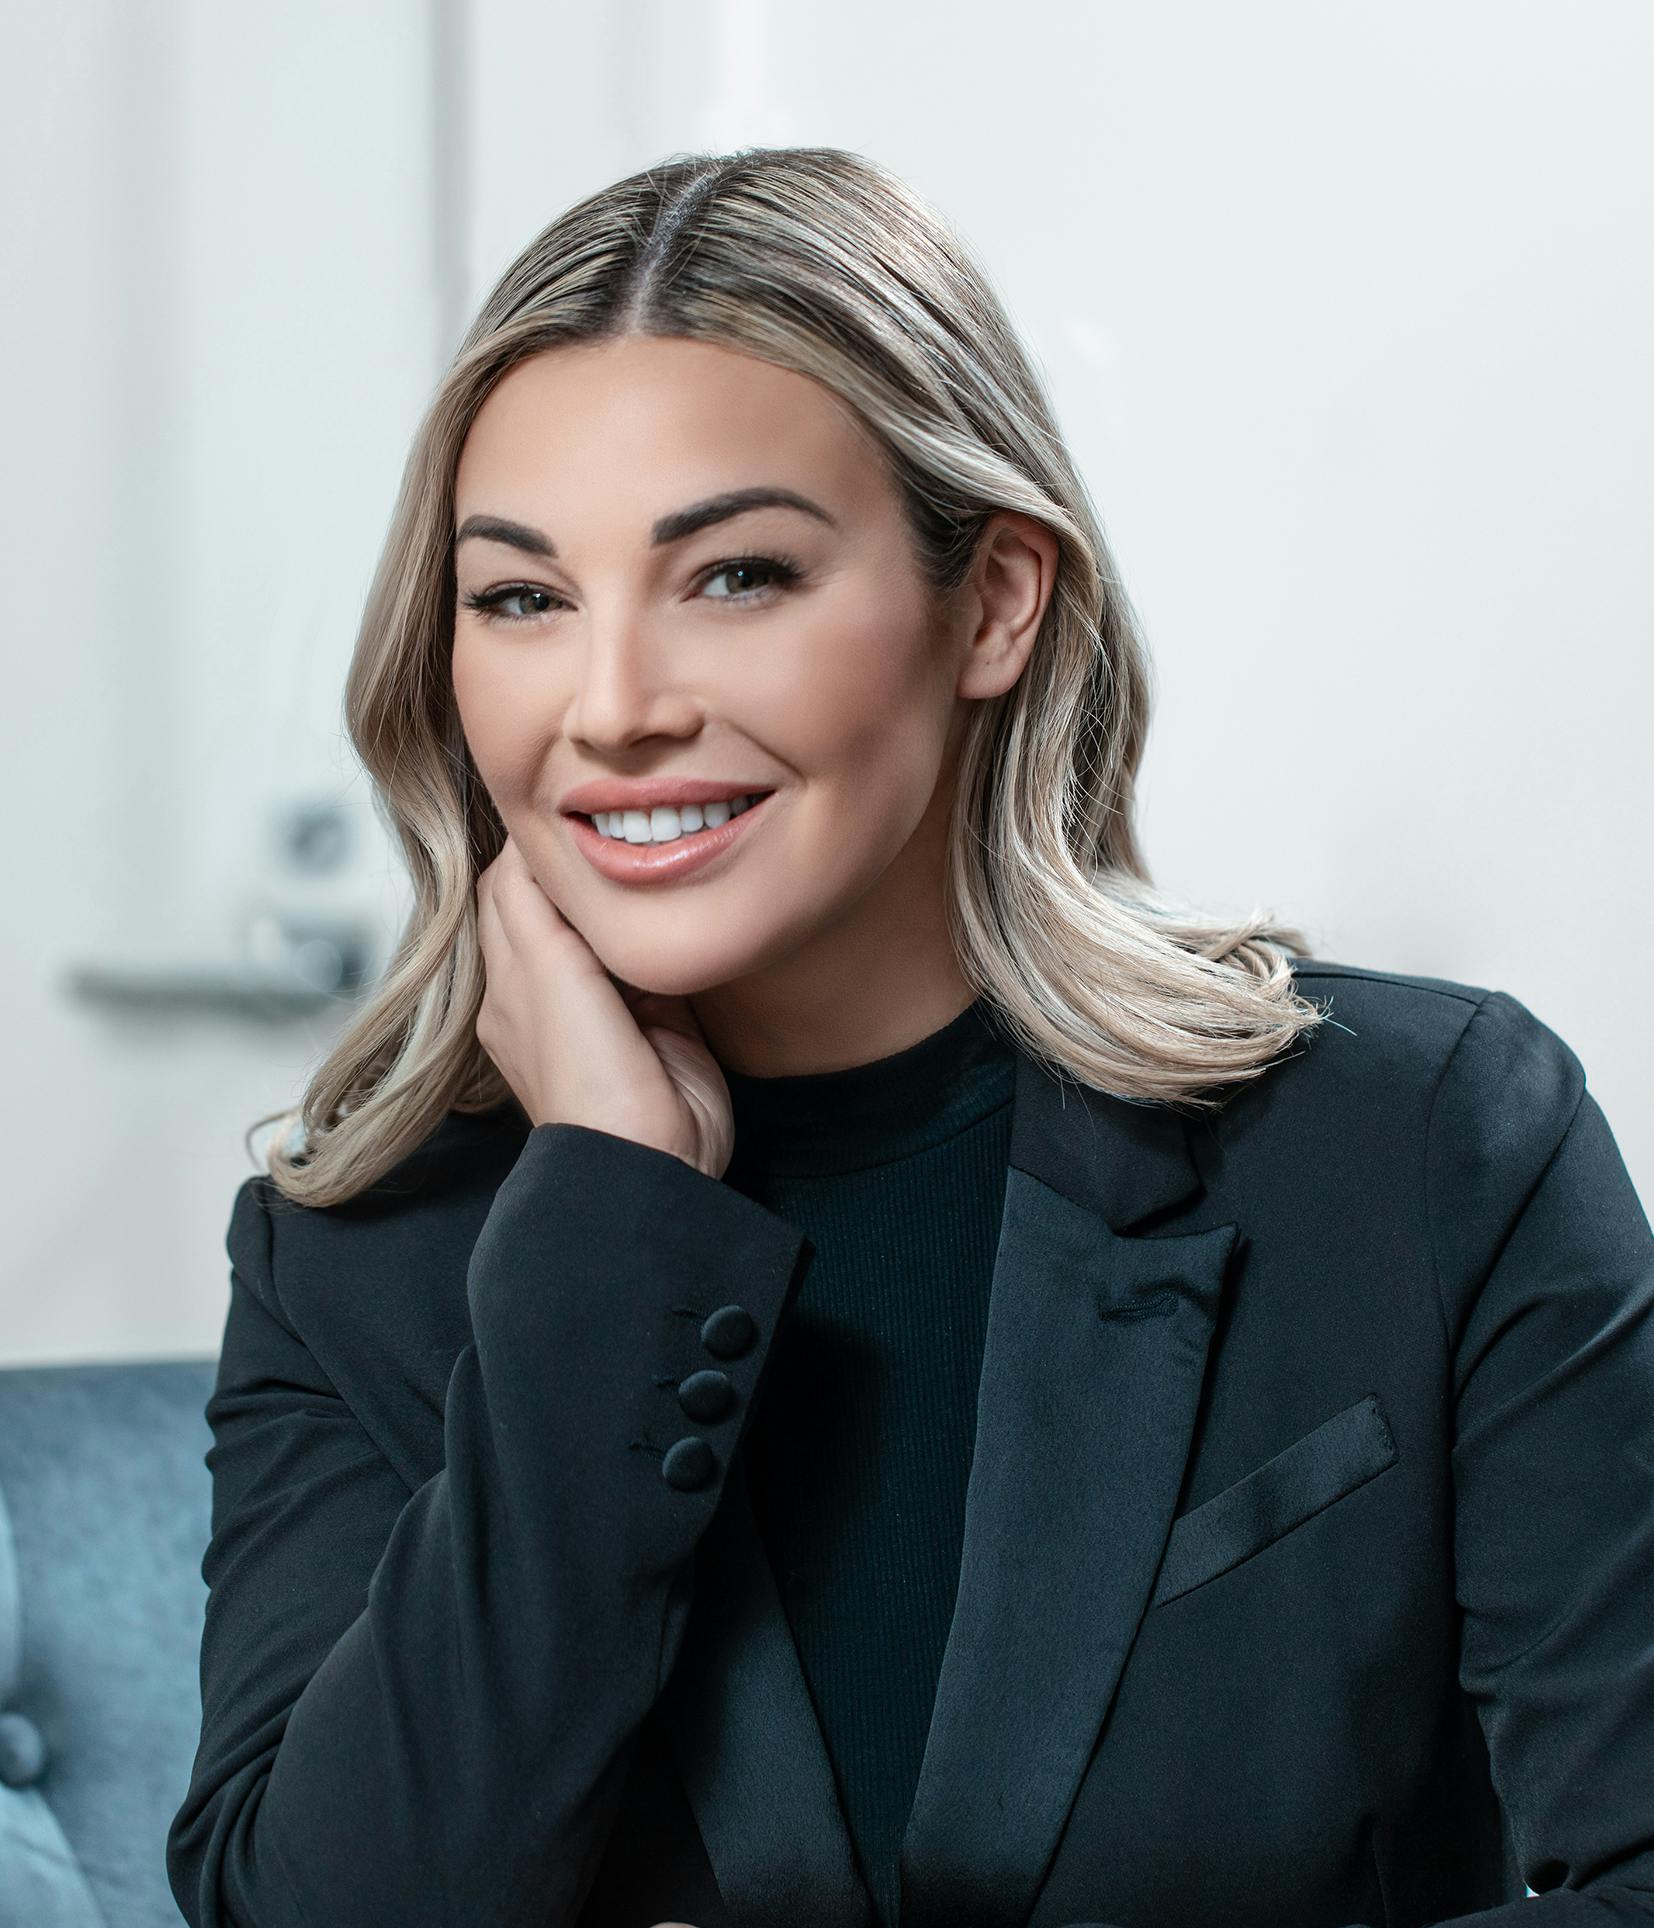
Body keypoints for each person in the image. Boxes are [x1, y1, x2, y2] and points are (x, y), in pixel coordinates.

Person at [165, 146, 1654, 1928]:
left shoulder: (1422, 1139)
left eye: (734, 577)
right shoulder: (359, 1257)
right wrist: (607, 1234)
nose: (616, 704)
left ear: (995, 601)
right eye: (522, 598)